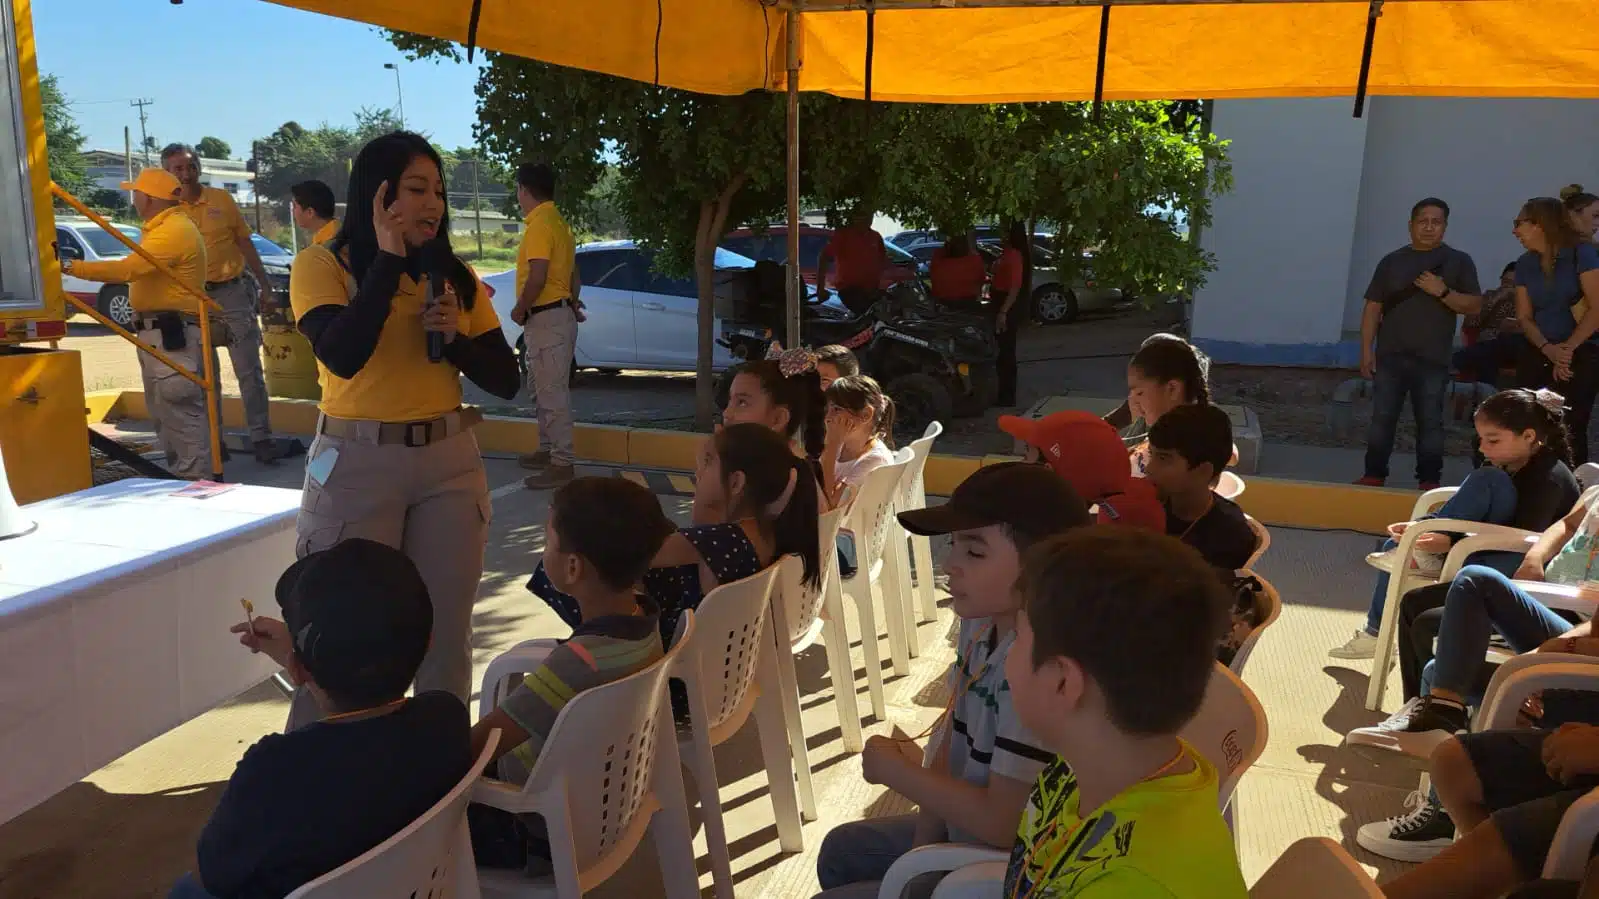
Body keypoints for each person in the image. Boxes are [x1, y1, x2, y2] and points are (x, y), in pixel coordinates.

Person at [286, 131, 519, 731]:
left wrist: (460, 340)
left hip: (448, 464)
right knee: (340, 636)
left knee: (445, 633)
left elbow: (507, 378)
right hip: (358, 462)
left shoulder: (454, 277)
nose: (433, 204)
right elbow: (341, 352)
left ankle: (436, 771)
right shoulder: (321, 264)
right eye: (416, 189)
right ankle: (318, 782)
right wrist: (388, 262)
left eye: (438, 192)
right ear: (377, 193)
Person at [812, 462, 1089, 899]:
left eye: (974, 552)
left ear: (1043, 566)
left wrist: (898, 774)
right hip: (966, 832)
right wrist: (920, 865)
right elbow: (946, 748)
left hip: (1014, 867)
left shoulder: (1036, 672)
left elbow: (1002, 824)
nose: (949, 564)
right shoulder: (980, 629)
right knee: (840, 851)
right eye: (953, 546)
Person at [166, 539, 472, 899]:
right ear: (429, 641)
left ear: (297, 670)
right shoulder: (445, 719)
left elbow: (211, 874)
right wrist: (298, 658)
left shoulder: (274, 770)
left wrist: (302, 662)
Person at [1002, 528, 1247, 899]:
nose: (1007, 657)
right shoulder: (1091, 769)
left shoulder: (1134, 884)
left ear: (1063, 682)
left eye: (1017, 638)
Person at [466, 477, 676, 872]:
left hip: (533, 827)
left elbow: (482, 744)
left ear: (574, 566)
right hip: (604, 802)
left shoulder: (578, 662)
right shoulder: (646, 619)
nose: (544, 551)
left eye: (548, 542)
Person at [1332, 388, 1579, 660]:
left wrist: (1452, 542)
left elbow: (1525, 538)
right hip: (1490, 542)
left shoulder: (1548, 477)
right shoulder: (1510, 463)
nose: (1483, 448)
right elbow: (1477, 509)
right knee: (1400, 544)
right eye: (1481, 439)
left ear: (1529, 436)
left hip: (1525, 563)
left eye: (1493, 440)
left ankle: (1428, 559)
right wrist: (1424, 527)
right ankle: (1375, 633)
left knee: (1483, 485)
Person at [531, 422, 821, 648]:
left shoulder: (721, 541)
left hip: (672, 673)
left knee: (579, 563)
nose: (697, 471)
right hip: (717, 666)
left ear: (736, 482)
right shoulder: (761, 532)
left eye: (706, 463)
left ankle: (599, 644)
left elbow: (628, 552)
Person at [61, 168, 212, 479]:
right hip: (160, 333)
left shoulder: (173, 230)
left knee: (180, 417)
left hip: (172, 334)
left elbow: (127, 270)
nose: (132, 198)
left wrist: (69, 266)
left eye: (137, 192)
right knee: (167, 417)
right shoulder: (162, 227)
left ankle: (197, 488)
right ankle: (187, 485)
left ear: (150, 198)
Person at [162, 143, 281, 465]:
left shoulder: (221, 200)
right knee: (203, 375)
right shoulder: (166, 211)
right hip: (192, 299)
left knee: (249, 371)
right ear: (167, 173)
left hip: (232, 294)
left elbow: (245, 243)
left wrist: (266, 287)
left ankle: (262, 437)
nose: (186, 174)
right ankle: (214, 441)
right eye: (177, 168)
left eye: (190, 166)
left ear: (198, 167)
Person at [1358, 198, 1483, 489]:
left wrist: (1442, 292)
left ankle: (1429, 480)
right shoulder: (1392, 261)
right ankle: (1373, 474)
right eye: (1422, 221)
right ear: (1411, 224)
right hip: (1390, 354)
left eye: (1436, 222)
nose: (1429, 227)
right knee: (1382, 419)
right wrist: (1366, 349)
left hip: (1433, 357)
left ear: (1445, 226)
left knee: (1430, 422)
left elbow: (1474, 306)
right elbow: (1373, 307)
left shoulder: (1458, 261)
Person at [1513, 197, 1599, 464]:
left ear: (1540, 224)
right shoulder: (1525, 263)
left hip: (1581, 352)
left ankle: (1574, 490)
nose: (1515, 230)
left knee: (1571, 426)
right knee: (1534, 422)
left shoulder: (1581, 254)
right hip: (1541, 351)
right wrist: (1548, 349)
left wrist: (1567, 350)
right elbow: (1525, 317)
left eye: (1520, 223)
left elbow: (1597, 308)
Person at [511, 163, 581, 490]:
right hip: (554, 315)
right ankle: (547, 449)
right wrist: (573, 301)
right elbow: (573, 274)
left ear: (524, 189)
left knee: (551, 392)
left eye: (518, 190)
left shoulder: (540, 226)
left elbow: (537, 275)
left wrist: (520, 307)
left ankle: (561, 462)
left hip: (546, 316)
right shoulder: (560, 224)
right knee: (542, 388)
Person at [998, 410, 1166, 532]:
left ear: (1048, 471)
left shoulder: (1116, 534)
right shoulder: (1120, 506)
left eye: (1028, 452)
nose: (1021, 462)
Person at [1144, 404, 1256, 572]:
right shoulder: (1145, 506)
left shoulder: (1230, 535)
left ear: (1203, 472)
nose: (1149, 469)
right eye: (1151, 454)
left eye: (1163, 458)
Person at [1124, 336, 1214, 478]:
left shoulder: (1190, 439)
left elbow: (1230, 453)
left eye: (1139, 393)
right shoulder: (1158, 426)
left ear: (1172, 389)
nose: (1132, 401)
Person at [722, 350, 829, 469]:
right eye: (729, 401)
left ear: (778, 419)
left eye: (742, 402)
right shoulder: (750, 466)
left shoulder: (784, 477)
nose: (726, 413)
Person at [821, 374, 896, 508]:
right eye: (828, 409)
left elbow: (829, 506)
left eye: (837, 409)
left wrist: (831, 446)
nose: (827, 417)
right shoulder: (842, 446)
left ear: (865, 415)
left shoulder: (875, 460)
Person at [1455, 263, 1526, 388]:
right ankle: (1487, 394)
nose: (1509, 288)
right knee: (1486, 356)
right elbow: (1471, 323)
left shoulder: (1529, 301)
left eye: (1514, 284)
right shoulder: (1490, 296)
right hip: (1489, 344)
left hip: (1515, 345)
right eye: (1505, 282)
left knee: (1493, 346)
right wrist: (1496, 299)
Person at [818, 209, 887, 316]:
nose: (865, 220)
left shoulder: (875, 237)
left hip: (871, 290)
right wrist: (820, 288)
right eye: (861, 217)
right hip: (849, 290)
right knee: (866, 316)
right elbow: (824, 257)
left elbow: (883, 259)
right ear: (854, 218)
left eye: (869, 216)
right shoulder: (844, 235)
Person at [990, 222, 1030, 407]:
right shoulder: (1005, 253)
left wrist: (1003, 311)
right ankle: (1001, 392)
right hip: (999, 300)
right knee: (1001, 352)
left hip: (1006, 304)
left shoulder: (1014, 255)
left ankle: (1007, 396)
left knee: (1006, 352)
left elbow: (1014, 287)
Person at [928, 233, 986, 305]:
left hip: (944, 302)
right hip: (969, 301)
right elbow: (981, 279)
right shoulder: (974, 260)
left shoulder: (939, 262)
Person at [290, 180, 339, 246]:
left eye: (295, 206)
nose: (292, 211)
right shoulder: (340, 233)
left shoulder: (329, 244)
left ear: (310, 212)